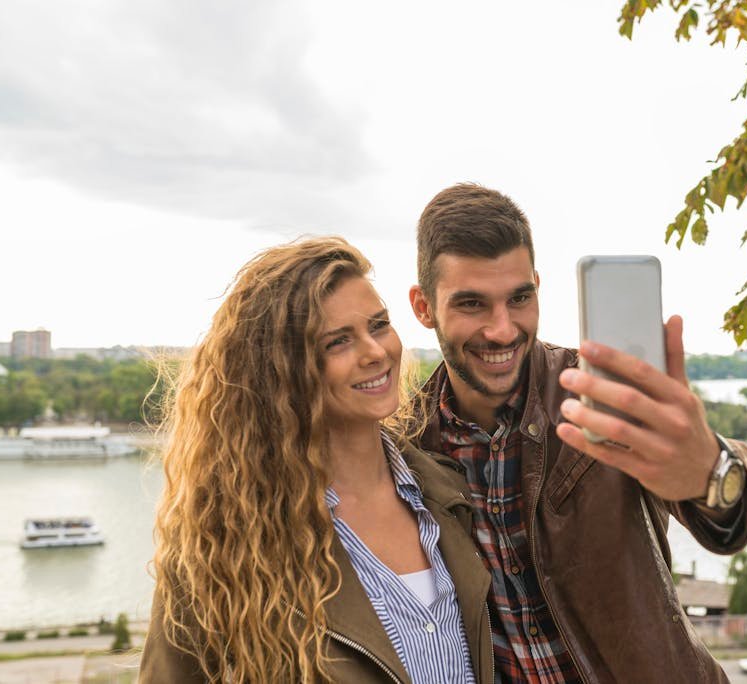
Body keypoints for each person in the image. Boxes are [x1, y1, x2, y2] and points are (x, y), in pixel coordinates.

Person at [408, 184, 747, 684]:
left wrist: (712, 470)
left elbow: (732, 520)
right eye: (472, 304)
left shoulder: (603, 395)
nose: (502, 329)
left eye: (520, 298)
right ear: (423, 307)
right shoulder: (407, 444)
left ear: (538, 285)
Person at [140, 237, 493, 683]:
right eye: (338, 342)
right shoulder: (223, 542)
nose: (375, 352)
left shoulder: (450, 493)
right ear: (283, 371)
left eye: (379, 325)